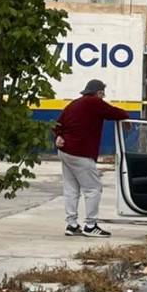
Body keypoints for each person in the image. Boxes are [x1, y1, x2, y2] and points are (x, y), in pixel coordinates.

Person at [53, 79, 130, 238]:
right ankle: (90, 225)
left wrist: (59, 136)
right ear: (99, 92)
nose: (103, 97)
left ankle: (72, 225)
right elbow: (116, 113)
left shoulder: (74, 104)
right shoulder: (95, 102)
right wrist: (126, 118)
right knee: (93, 188)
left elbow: (57, 124)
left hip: (65, 151)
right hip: (80, 153)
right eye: (102, 94)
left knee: (71, 188)